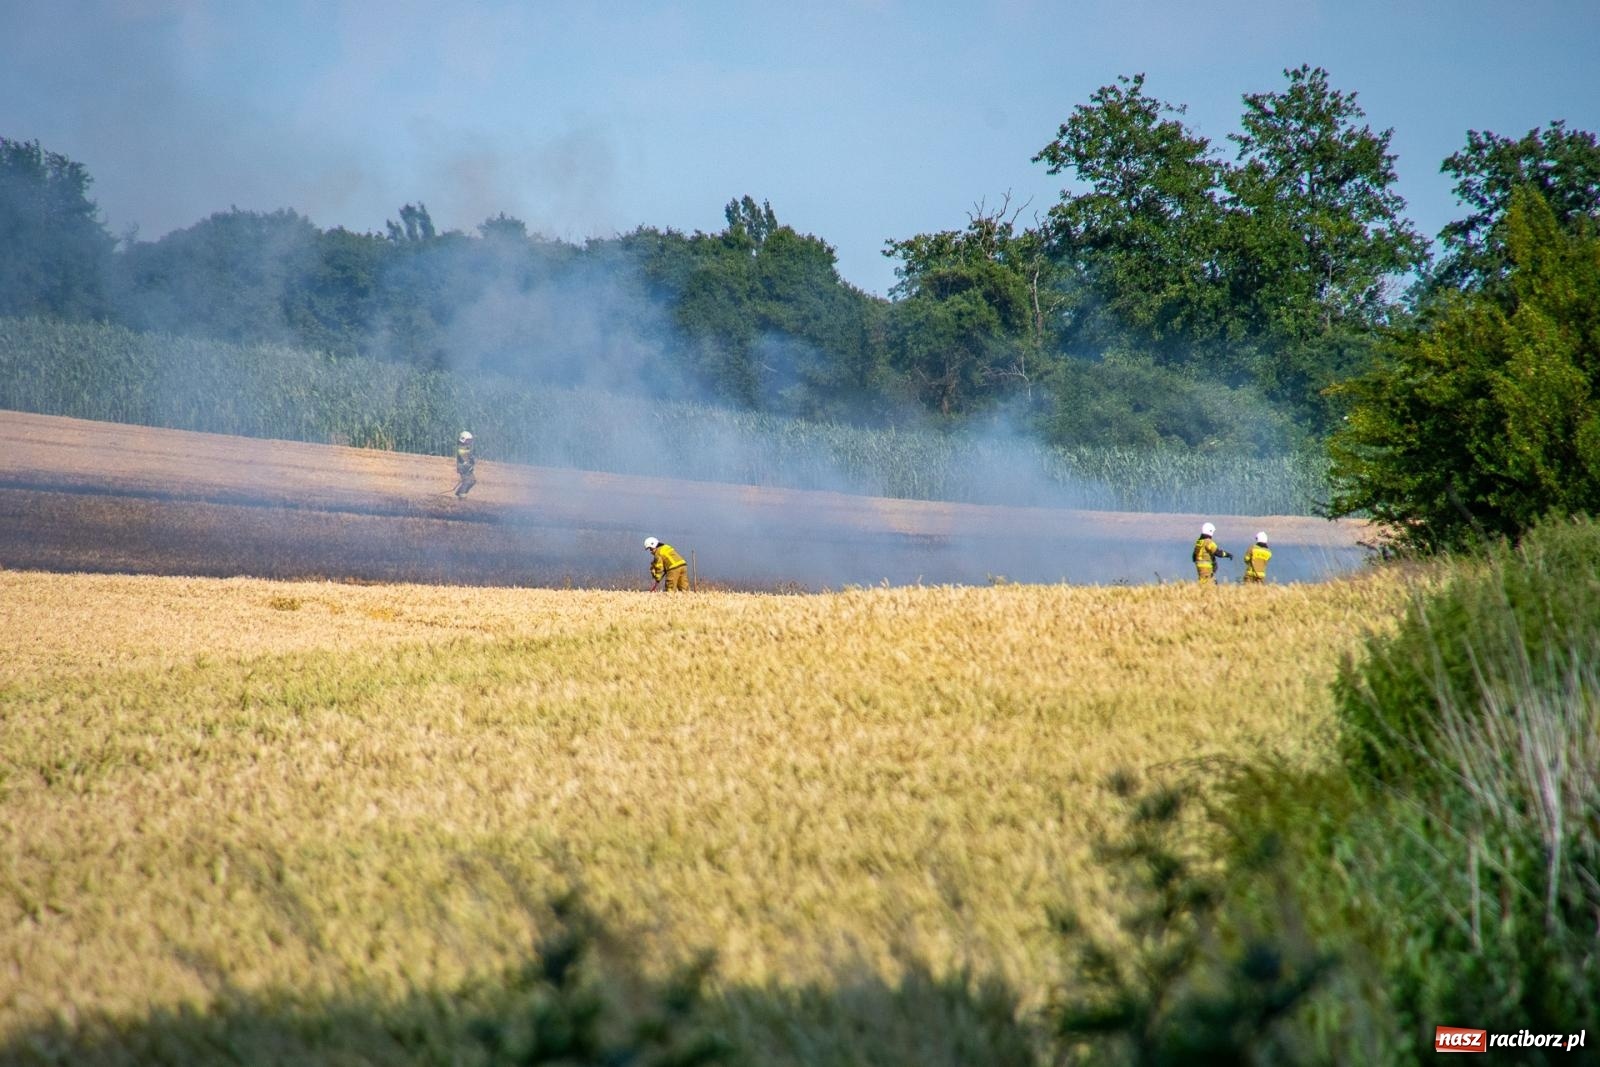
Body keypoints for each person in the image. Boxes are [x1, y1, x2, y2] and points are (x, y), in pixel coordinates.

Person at [454, 431, 476, 497]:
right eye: (468, 440)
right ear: (463, 439)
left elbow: (469, 456)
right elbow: (462, 459)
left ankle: (460, 492)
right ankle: (462, 494)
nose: (470, 442)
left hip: (468, 468)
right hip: (463, 469)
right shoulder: (460, 448)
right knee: (467, 481)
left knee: (473, 481)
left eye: (470, 440)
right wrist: (468, 465)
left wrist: (472, 459)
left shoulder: (467, 448)